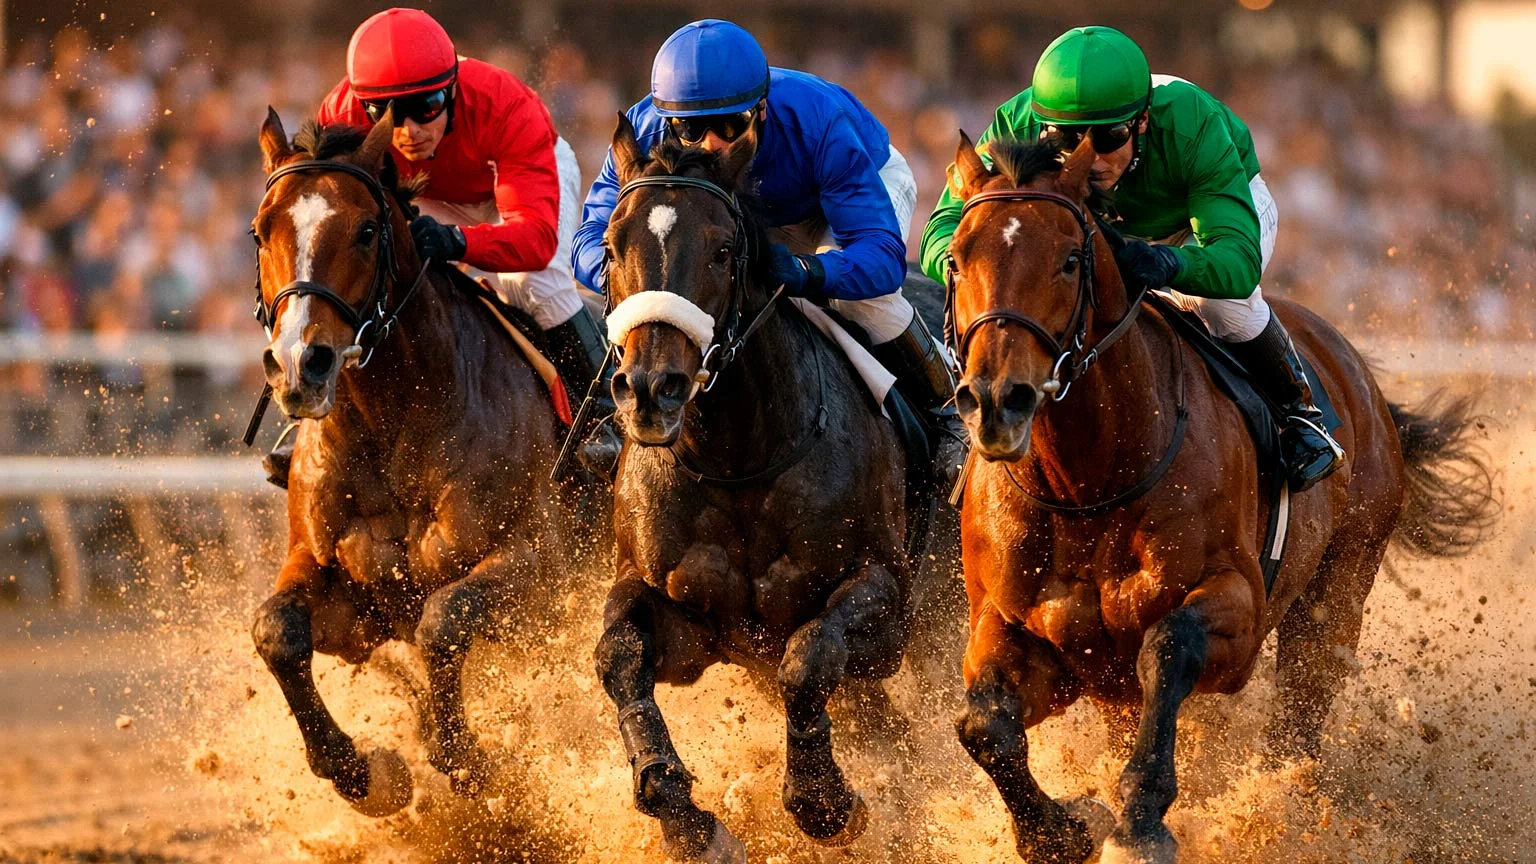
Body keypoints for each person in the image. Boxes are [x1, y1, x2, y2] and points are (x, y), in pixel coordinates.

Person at [920, 25, 1342, 491]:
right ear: (1044, 128)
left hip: (1196, 224)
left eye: (1108, 138)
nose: (1091, 157)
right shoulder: (1017, 125)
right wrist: (972, 266)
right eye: (1067, 139)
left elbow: (1237, 262)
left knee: (1223, 306)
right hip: (1093, 230)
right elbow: (940, 232)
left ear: (1141, 122)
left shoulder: (1192, 123)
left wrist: (1169, 263)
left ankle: (1301, 415)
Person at [573, 19, 963, 483]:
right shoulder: (645, 129)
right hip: (736, 214)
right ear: (670, 120)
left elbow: (881, 258)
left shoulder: (820, 123)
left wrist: (807, 270)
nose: (710, 144)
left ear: (760, 110)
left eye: (729, 126)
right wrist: (639, 281)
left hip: (837, 200)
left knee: (860, 300)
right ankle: (616, 413)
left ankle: (948, 415)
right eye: (691, 129)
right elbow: (590, 239)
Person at [262, 7, 606, 487]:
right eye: (384, 113)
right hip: (424, 192)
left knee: (534, 284)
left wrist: (457, 240)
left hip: (512, 188)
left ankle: (602, 418)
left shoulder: (507, 107)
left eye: (426, 106)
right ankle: (308, 417)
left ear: (452, 89)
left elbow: (534, 239)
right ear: (363, 105)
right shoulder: (341, 115)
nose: (408, 131)